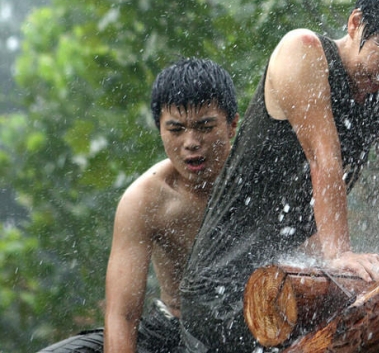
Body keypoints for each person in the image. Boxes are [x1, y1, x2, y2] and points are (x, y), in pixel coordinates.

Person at [179, 0, 379, 352]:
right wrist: (339, 256)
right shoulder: (302, 51)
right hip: (221, 291)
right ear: (355, 23)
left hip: (288, 284)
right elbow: (323, 157)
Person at [38, 58, 239, 353]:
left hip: (251, 329)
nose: (191, 142)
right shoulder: (145, 200)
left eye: (205, 126)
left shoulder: (257, 178)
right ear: (159, 128)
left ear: (232, 124)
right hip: (175, 333)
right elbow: (122, 315)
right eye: (176, 129)